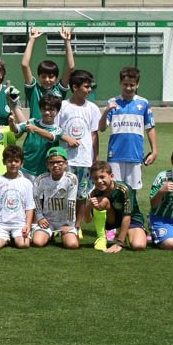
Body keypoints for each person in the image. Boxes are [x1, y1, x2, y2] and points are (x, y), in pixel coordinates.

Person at [97, 65, 157, 248]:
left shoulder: (143, 104)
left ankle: (133, 224)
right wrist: (107, 110)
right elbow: (101, 128)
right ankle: (112, 227)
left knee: (132, 192)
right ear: (120, 83)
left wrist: (154, 150)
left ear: (137, 84)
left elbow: (150, 128)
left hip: (135, 156)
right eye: (125, 84)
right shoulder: (113, 102)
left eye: (132, 85)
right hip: (115, 155)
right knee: (112, 191)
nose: (128, 88)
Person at [57, 69, 101, 233]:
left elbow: (94, 134)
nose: (89, 90)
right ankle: (63, 223)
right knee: (64, 192)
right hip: (66, 158)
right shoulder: (63, 106)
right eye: (86, 87)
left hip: (84, 159)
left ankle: (77, 226)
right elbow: (55, 129)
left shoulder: (93, 108)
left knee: (82, 194)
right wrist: (66, 138)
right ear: (74, 87)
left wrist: (95, 157)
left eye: (90, 87)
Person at [12, 94, 76, 181]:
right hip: (25, 168)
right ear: (41, 109)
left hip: (44, 172)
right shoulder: (32, 122)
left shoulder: (57, 130)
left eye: (51, 110)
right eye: (44, 109)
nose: (47, 112)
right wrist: (12, 123)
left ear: (57, 111)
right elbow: (16, 129)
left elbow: (50, 137)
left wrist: (35, 129)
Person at [89, 161, 147, 253]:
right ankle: (103, 236)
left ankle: (127, 233)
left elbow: (127, 216)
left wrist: (119, 243)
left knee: (138, 245)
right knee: (104, 201)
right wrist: (88, 206)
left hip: (131, 219)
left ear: (111, 176)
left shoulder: (124, 189)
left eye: (102, 177)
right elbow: (88, 220)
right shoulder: (94, 193)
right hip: (112, 220)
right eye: (95, 179)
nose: (99, 181)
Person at [30, 147, 80, 249]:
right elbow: (35, 198)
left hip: (65, 221)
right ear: (47, 165)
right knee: (37, 243)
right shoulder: (41, 179)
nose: (55, 165)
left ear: (66, 163)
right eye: (52, 163)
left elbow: (71, 202)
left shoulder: (71, 179)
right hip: (48, 220)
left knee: (72, 245)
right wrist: (40, 217)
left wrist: (69, 224)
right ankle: (49, 234)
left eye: (59, 162)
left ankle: (64, 234)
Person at [0, 145, 34, 249]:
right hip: (1, 223)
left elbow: (29, 207)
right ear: (4, 162)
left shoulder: (27, 183)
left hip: (19, 223)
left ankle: (15, 237)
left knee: (23, 244)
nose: (13, 164)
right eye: (10, 161)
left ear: (22, 163)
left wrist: (28, 225)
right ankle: (6, 238)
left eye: (16, 161)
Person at [21, 26, 75, 116]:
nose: (47, 80)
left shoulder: (59, 90)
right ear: (39, 76)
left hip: (54, 129)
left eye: (51, 77)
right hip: (36, 129)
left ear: (56, 78)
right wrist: (32, 40)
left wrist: (67, 42)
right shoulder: (34, 90)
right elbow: (24, 65)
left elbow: (71, 67)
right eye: (43, 76)